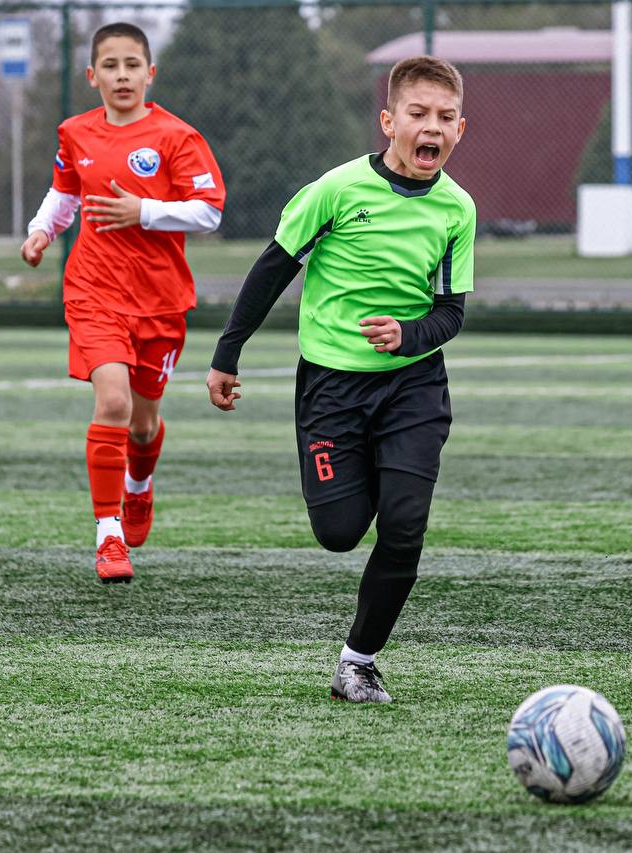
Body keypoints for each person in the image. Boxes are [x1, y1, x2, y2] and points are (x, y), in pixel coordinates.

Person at [205, 56, 475, 704]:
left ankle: (358, 663)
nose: (431, 127)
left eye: (445, 117)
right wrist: (227, 354)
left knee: (404, 525)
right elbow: (272, 269)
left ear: (459, 130)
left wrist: (407, 335)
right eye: (418, 114)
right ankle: (369, 471)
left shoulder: (457, 209)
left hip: (413, 386)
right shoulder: (336, 190)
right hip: (332, 387)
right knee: (338, 532)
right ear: (389, 121)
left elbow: (450, 313)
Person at [19, 22, 225, 584]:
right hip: (93, 291)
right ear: (93, 76)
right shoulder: (75, 133)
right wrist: (41, 231)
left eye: (132, 64)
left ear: (150, 72)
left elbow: (209, 211)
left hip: (159, 300)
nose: (122, 75)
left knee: (143, 423)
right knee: (112, 403)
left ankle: (139, 485)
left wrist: (145, 212)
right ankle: (108, 536)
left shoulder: (177, 137)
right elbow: (66, 191)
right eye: (110, 66)